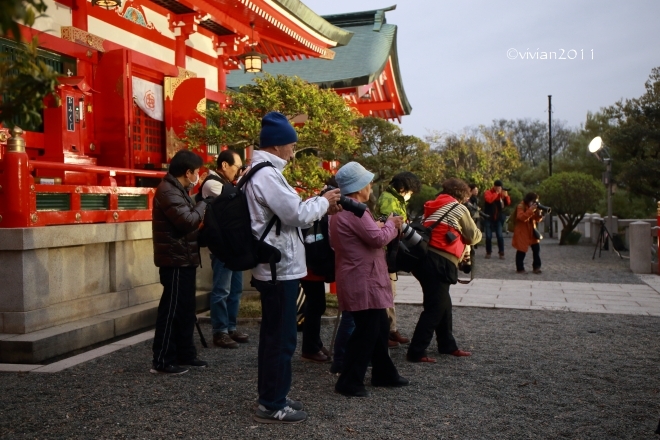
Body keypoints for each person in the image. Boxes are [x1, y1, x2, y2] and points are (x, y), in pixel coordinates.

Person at [244, 112, 341, 424]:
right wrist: (324, 201)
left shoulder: (258, 171)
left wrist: (318, 202)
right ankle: (272, 402)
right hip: (278, 269)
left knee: (277, 336)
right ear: (276, 145)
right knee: (281, 338)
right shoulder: (268, 175)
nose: (293, 151)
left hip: (274, 266)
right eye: (291, 145)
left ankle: (275, 394)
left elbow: (288, 211)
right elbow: (295, 215)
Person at [331, 162, 409, 397]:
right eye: (368, 182)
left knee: (378, 326)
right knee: (367, 330)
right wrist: (391, 225)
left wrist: (379, 226)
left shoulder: (341, 211)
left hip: (356, 275)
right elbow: (377, 239)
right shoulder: (357, 210)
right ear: (359, 187)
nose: (371, 186)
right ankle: (349, 380)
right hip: (363, 277)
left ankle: (383, 372)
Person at [406, 178, 482, 363]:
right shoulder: (458, 208)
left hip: (423, 260)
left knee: (443, 303)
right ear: (462, 195)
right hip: (440, 261)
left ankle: (447, 344)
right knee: (435, 307)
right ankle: (416, 350)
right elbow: (473, 236)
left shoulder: (431, 206)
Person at [150, 149, 208, 375]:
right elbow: (186, 221)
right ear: (188, 172)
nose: (198, 176)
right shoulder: (167, 191)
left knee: (186, 310)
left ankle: (185, 354)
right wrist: (204, 204)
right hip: (174, 260)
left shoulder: (176, 189)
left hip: (183, 258)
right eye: (197, 172)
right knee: (172, 310)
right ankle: (163, 359)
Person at [200, 149, 249, 349]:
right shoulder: (212, 183)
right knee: (222, 289)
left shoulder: (228, 183)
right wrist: (244, 182)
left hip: (233, 244)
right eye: (237, 168)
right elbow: (234, 201)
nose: (238, 172)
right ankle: (219, 331)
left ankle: (230, 326)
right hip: (220, 246)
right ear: (224, 166)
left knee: (235, 289)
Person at [375, 171, 421, 348]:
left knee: (390, 292)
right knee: (386, 292)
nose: (410, 195)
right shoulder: (388, 199)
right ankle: (384, 331)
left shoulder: (395, 198)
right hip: (387, 251)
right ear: (402, 188)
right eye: (410, 191)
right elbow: (390, 224)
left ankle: (391, 329)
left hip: (392, 251)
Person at [512, 192, 544, 274]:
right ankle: (520, 268)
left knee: (536, 249)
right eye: (533, 201)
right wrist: (531, 210)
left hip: (532, 231)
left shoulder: (533, 207)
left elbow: (537, 220)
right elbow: (521, 217)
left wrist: (539, 214)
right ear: (529, 200)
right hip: (522, 232)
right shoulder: (521, 206)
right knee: (521, 250)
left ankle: (536, 267)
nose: (535, 203)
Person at [483, 179, 511, 259]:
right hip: (488, 217)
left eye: (500, 187)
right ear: (494, 187)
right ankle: (488, 252)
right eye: (498, 187)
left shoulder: (502, 194)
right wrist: (496, 193)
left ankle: (501, 252)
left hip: (498, 218)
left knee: (500, 235)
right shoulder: (488, 192)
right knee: (488, 236)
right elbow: (489, 200)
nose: (499, 189)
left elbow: (508, 203)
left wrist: (506, 196)